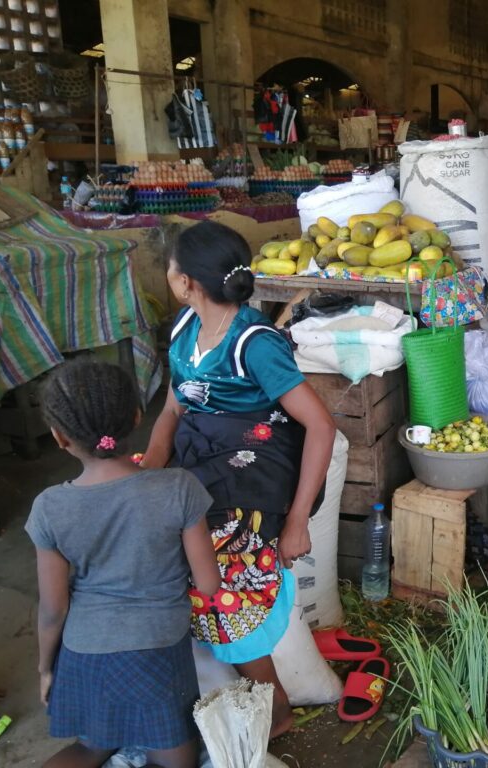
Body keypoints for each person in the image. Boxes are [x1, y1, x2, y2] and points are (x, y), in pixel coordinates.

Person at [142, 221, 336, 738]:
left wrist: (297, 522)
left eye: (171, 267)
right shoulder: (184, 331)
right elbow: (171, 409)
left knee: (225, 584)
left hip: (256, 466)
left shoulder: (255, 343)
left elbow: (321, 425)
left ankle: (276, 711)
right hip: (201, 456)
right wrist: (150, 470)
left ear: (186, 281)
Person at [26, 360, 220, 768]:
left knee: (91, 747)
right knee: (175, 759)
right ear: (136, 417)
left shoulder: (49, 508)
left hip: (85, 651)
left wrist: (47, 669)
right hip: (158, 651)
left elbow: (53, 609)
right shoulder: (178, 487)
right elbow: (207, 584)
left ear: (60, 438)